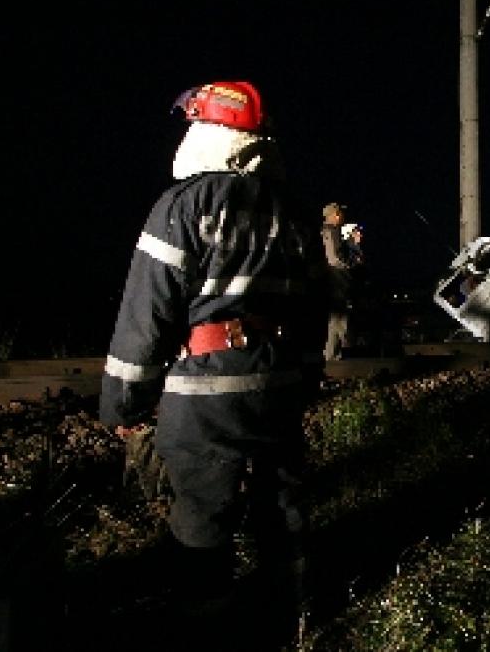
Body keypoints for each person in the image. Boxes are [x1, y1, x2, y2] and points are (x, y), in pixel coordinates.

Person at [99, 81, 327, 623]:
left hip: (206, 391)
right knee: (284, 505)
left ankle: (208, 622)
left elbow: (146, 310)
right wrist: (306, 377)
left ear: (207, 131)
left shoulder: (185, 203)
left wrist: (123, 404)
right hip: (279, 381)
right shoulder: (293, 209)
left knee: (203, 510)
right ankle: (294, 614)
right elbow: (316, 307)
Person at [321, 203, 362, 360]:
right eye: (341, 214)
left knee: (334, 319)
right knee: (341, 317)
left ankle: (331, 356)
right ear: (336, 215)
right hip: (338, 278)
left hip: (331, 278)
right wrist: (354, 254)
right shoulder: (332, 230)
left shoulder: (324, 231)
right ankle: (345, 355)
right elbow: (338, 257)